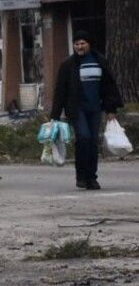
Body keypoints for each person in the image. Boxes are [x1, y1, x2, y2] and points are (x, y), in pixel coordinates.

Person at [50, 31, 122, 190]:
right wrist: (55, 115)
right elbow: (60, 90)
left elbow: (109, 86)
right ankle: (81, 176)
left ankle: (92, 178)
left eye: (82, 43)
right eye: (76, 44)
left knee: (92, 142)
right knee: (83, 138)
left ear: (89, 44)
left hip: (95, 108)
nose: (79, 46)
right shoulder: (68, 65)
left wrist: (111, 109)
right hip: (77, 109)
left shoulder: (100, 61)